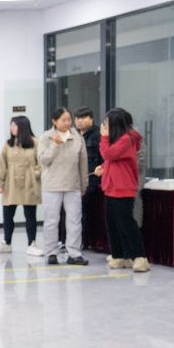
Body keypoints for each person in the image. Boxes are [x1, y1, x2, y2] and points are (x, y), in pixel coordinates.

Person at [95, 108, 150, 272]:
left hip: (123, 187)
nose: (104, 126)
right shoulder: (119, 140)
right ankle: (119, 255)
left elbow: (109, 154)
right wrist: (103, 167)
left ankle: (140, 257)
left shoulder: (127, 139)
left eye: (106, 123)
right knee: (112, 223)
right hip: (111, 187)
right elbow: (112, 160)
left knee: (126, 223)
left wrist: (104, 138)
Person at [39, 107, 89, 265]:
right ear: (54, 121)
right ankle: (51, 253)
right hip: (51, 186)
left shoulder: (77, 137)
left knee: (74, 221)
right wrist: (55, 145)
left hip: (73, 185)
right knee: (52, 221)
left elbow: (83, 163)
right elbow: (43, 160)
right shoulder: (46, 137)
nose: (67, 123)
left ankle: (74, 253)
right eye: (63, 120)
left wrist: (84, 184)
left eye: (69, 119)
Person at [0, 116, 43, 256]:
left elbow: (42, 163)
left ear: (23, 126)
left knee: (30, 215)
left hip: (29, 183)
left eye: (14, 125)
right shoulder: (8, 144)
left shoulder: (35, 142)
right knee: (8, 214)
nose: (12, 128)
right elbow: (2, 164)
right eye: (11, 125)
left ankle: (32, 244)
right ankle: (6, 243)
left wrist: (35, 174)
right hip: (11, 184)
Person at [74, 106, 106, 250]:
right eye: (77, 118)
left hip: (92, 180)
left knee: (84, 211)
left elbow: (104, 159)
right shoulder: (73, 135)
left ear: (91, 119)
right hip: (74, 180)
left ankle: (84, 241)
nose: (79, 121)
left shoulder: (98, 135)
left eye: (83, 118)